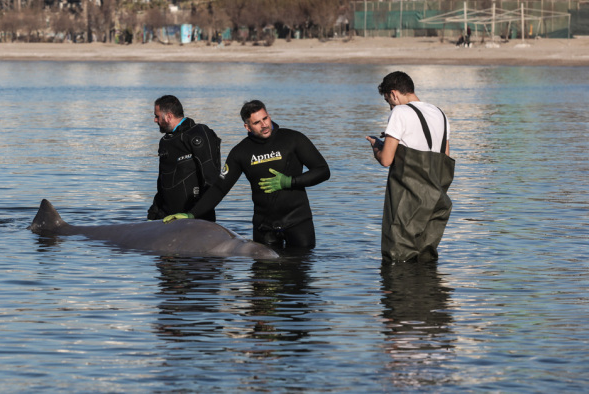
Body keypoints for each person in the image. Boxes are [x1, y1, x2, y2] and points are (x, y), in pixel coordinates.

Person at [164, 100, 330, 251]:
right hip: (264, 227)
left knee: (300, 274)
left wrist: (290, 182)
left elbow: (323, 171)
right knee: (263, 278)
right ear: (247, 127)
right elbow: (220, 188)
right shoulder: (240, 152)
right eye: (257, 123)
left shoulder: (293, 139)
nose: (264, 125)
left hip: (298, 221)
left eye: (265, 119)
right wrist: (192, 214)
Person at [367, 71, 455, 263]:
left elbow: (386, 160)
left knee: (397, 263)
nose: (390, 107)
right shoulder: (440, 113)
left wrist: (376, 147)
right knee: (426, 261)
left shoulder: (399, 112)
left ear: (394, 94)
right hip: (437, 201)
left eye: (389, 102)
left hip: (407, 203)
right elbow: (445, 158)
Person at [148, 95, 222, 222]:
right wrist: (153, 215)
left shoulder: (198, 133)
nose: (155, 120)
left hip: (195, 219)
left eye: (157, 116)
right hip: (167, 219)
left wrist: (193, 214)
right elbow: (162, 183)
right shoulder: (165, 141)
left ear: (169, 116)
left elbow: (212, 181)